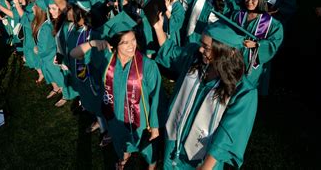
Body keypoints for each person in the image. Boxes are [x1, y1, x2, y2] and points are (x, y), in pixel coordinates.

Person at [153, 15, 257, 169]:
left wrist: (207, 166)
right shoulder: (196, 60)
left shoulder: (243, 91)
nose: (201, 49)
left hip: (203, 158)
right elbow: (171, 53)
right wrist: (158, 28)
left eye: (207, 47)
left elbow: (229, 134)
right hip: (174, 141)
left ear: (227, 52)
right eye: (202, 44)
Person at [70, 12, 162, 169]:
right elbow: (74, 54)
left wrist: (154, 126)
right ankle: (124, 157)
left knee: (147, 150)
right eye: (125, 42)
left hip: (141, 122)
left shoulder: (148, 66)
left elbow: (156, 97)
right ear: (114, 45)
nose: (131, 45)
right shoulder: (106, 59)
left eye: (133, 40)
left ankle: (151, 166)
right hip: (115, 118)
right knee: (120, 144)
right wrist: (92, 43)